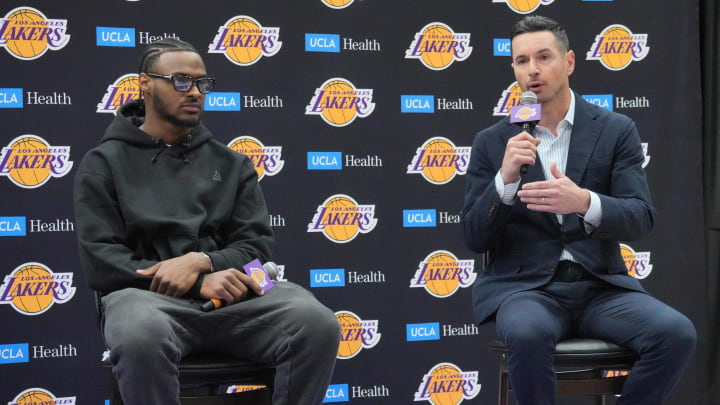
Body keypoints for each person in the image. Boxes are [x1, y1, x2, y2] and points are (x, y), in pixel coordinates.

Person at [74, 38, 341, 405]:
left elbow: (256, 247)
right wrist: (198, 283)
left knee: (316, 323)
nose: (196, 92)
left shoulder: (232, 164)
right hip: (150, 300)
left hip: (235, 299)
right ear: (145, 83)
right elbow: (102, 259)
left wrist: (205, 262)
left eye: (203, 83)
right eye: (181, 81)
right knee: (139, 334)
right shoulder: (103, 163)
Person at [461, 16, 696, 405]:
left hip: (600, 289)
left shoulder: (616, 129)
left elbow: (641, 216)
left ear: (569, 62)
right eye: (521, 61)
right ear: (514, 70)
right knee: (525, 334)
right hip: (527, 290)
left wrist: (585, 203)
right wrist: (503, 180)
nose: (532, 70)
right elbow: (472, 236)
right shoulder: (493, 142)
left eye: (543, 57)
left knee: (676, 334)